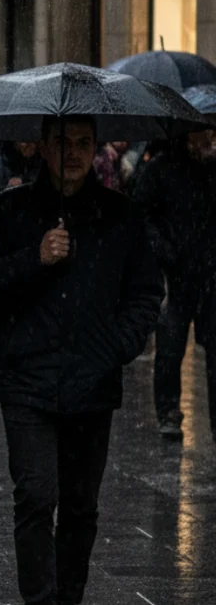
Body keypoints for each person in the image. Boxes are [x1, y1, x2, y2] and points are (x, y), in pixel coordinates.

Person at [0, 116, 163, 605]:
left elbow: (145, 291)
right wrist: (34, 258)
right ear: (42, 146)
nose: (72, 152)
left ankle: (69, 596)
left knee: (80, 505)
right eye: (62, 142)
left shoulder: (119, 215)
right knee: (35, 495)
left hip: (93, 380)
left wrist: (118, 345)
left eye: (82, 143)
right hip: (26, 379)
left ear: (94, 148)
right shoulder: (7, 210)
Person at [132, 128, 216, 438]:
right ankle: (168, 411)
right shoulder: (162, 168)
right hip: (175, 273)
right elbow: (141, 214)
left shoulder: (211, 170)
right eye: (204, 131)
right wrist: (164, 250)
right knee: (170, 346)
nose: (210, 137)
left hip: (210, 274)